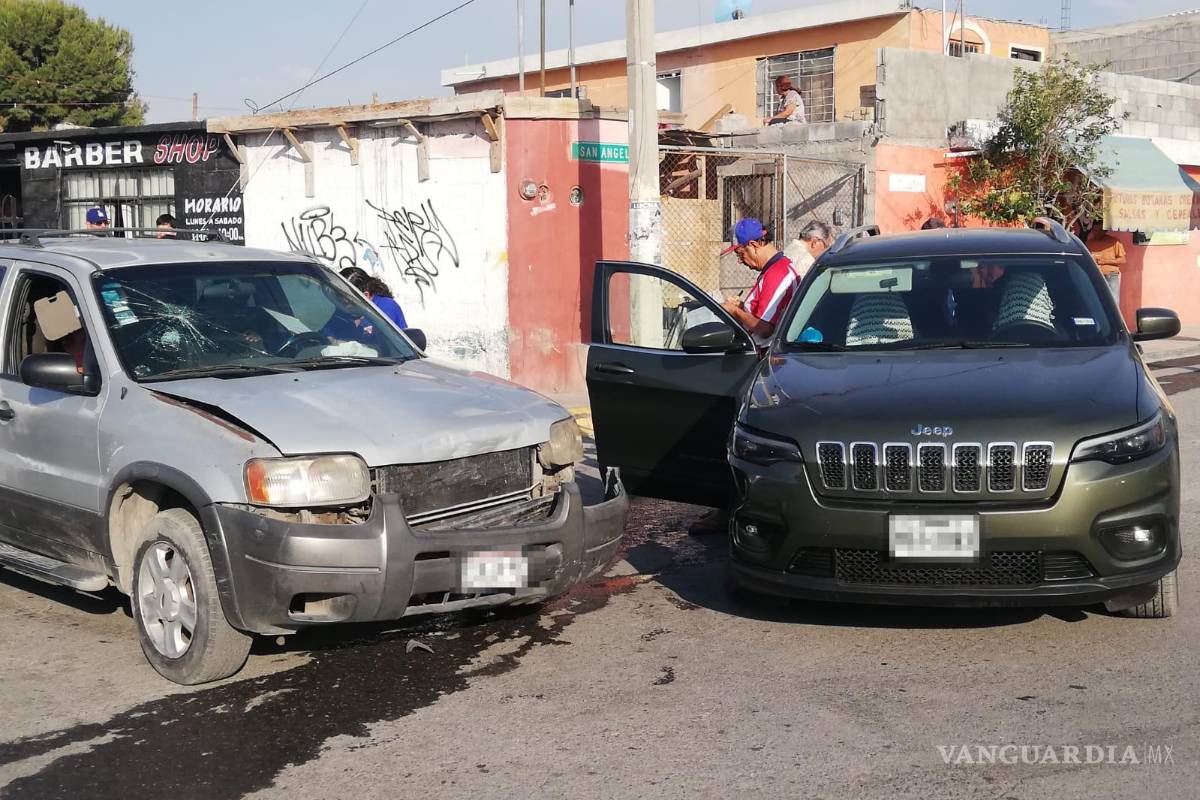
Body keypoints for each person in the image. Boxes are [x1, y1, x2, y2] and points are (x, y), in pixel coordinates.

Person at [719, 218, 800, 348]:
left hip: (763, 352)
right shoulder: (775, 269)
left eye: (740, 254)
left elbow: (764, 328)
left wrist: (735, 311)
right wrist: (741, 307)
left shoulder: (777, 273)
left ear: (753, 245)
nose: (740, 261)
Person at [340, 268, 408, 329]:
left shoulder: (386, 307)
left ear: (365, 295)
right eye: (339, 293)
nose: (342, 299)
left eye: (346, 296)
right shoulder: (344, 310)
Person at [1083, 218, 1126, 303]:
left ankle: (1113, 312)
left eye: (1099, 231)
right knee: (1096, 299)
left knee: (1113, 299)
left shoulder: (1115, 242)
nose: (1097, 233)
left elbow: (1122, 260)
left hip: (1110, 274)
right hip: (1095, 274)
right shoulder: (1089, 243)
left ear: (1105, 231)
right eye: (1095, 230)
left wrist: (1104, 261)